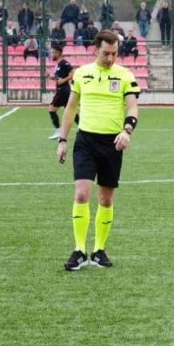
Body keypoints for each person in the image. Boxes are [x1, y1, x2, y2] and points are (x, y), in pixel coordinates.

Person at [55, 31, 141, 271]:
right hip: (85, 142)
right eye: (106, 53)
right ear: (95, 50)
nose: (110, 58)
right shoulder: (82, 74)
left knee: (106, 198)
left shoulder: (125, 76)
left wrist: (127, 130)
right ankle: (79, 250)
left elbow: (133, 107)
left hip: (112, 143)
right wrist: (62, 140)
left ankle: (100, 250)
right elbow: (71, 108)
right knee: (82, 193)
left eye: (114, 54)